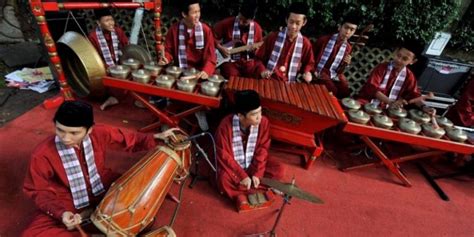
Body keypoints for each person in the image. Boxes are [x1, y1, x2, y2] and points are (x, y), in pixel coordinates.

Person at [22, 101, 177, 236]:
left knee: (141, 197)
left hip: (102, 183)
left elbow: (130, 139)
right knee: (33, 234)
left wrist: (156, 137)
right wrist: (61, 213)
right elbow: (38, 190)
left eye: (74, 133)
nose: (65, 138)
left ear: (89, 130)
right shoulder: (42, 153)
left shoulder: (99, 132)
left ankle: (92, 217)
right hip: (67, 197)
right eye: (60, 130)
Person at [215, 90, 285, 209]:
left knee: (279, 168)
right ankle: (256, 191)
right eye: (254, 114)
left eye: (260, 111)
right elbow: (223, 155)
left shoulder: (264, 122)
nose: (259, 117)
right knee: (223, 179)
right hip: (234, 168)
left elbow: (263, 150)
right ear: (240, 115)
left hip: (253, 163)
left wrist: (257, 173)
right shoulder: (225, 125)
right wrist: (242, 175)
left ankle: (246, 189)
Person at [357, 40, 435, 114]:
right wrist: (391, 102)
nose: (399, 60)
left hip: (389, 110)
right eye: (398, 55)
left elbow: (414, 96)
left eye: (404, 59)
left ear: (412, 61)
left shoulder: (409, 76)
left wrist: (424, 107)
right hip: (368, 103)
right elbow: (372, 88)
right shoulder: (382, 68)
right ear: (396, 52)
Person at [254, 2, 314, 83]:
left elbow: (309, 63)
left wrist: (307, 73)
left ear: (304, 22)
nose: (293, 26)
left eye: (297, 23)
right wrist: (262, 70)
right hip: (269, 80)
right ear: (286, 20)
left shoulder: (305, 43)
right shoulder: (273, 37)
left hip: (290, 84)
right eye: (291, 22)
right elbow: (258, 59)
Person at [160, 0, 216, 79]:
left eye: (198, 11)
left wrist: (206, 70)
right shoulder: (174, 29)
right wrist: (166, 58)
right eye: (194, 12)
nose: (198, 15)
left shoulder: (206, 31)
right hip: (179, 72)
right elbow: (168, 51)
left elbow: (211, 57)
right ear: (184, 14)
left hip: (198, 74)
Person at [87, 8, 129, 111]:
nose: (111, 23)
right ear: (98, 22)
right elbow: (93, 58)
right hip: (103, 66)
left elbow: (127, 47)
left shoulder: (118, 31)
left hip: (120, 63)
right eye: (106, 20)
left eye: (112, 20)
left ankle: (115, 97)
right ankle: (112, 98)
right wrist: (106, 67)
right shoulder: (93, 36)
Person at [213, 0, 263, 78]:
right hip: (230, 63)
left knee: (257, 74)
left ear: (252, 19)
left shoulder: (257, 29)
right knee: (232, 76)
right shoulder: (227, 23)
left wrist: (255, 51)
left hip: (247, 62)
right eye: (240, 18)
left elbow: (259, 51)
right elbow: (211, 37)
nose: (240, 22)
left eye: (244, 22)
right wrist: (220, 48)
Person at [313, 14, 359, 98]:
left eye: (351, 30)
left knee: (345, 90)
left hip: (333, 75)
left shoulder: (348, 48)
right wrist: (312, 70)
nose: (347, 32)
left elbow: (340, 70)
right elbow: (311, 56)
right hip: (319, 72)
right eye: (346, 28)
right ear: (339, 27)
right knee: (332, 89)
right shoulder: (324, 40)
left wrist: (346, 63)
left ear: (354, 32)